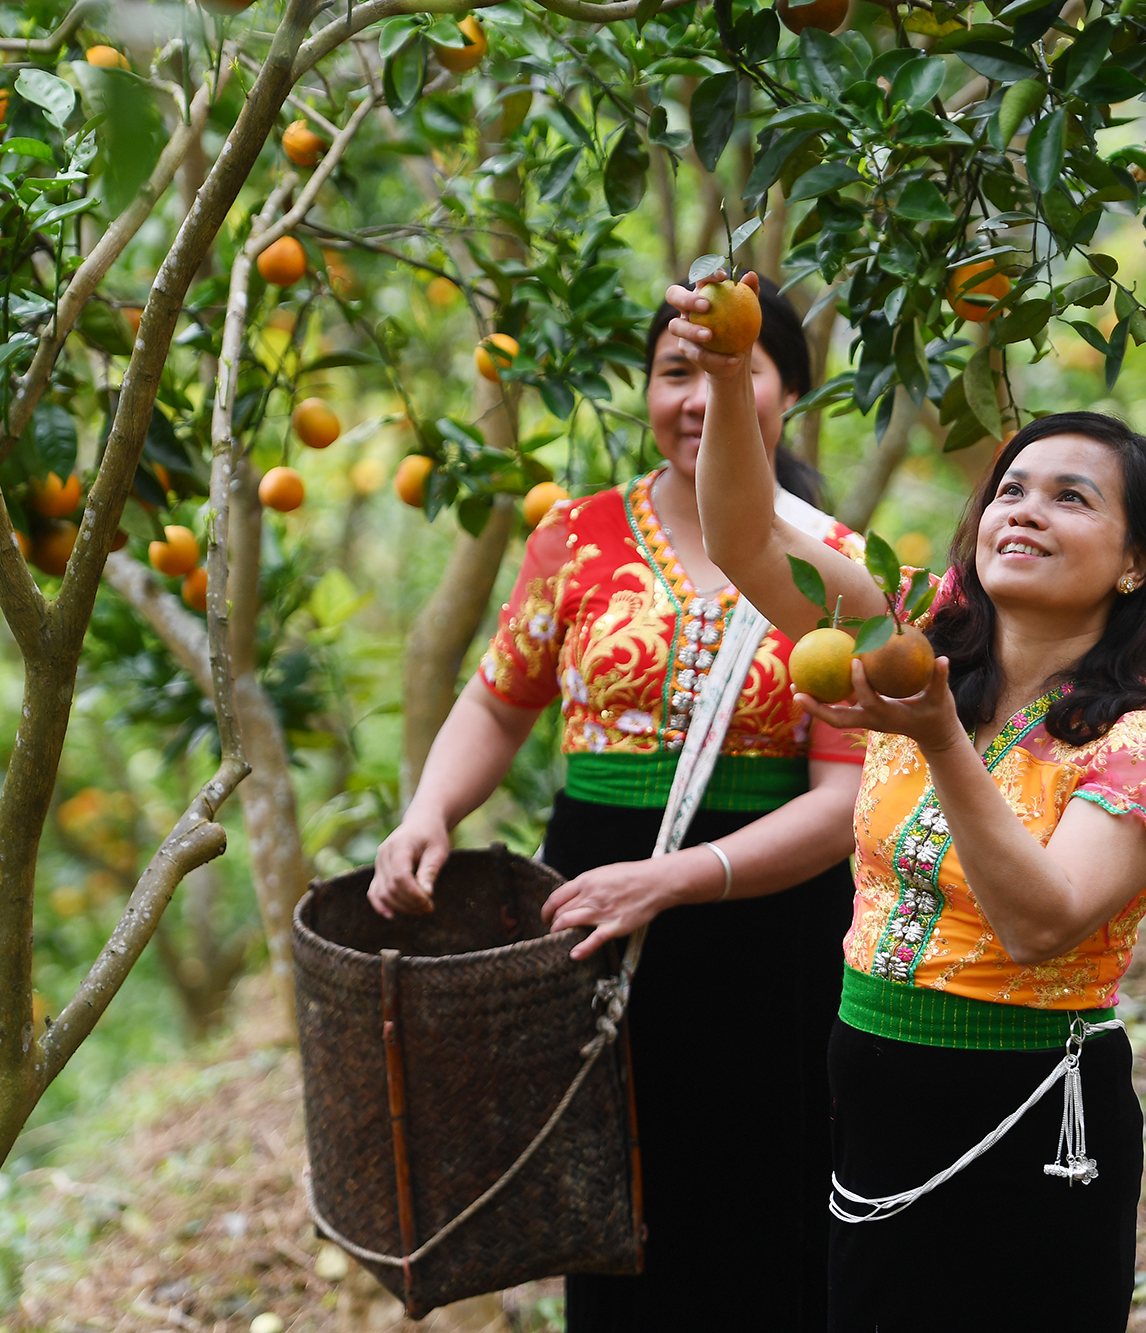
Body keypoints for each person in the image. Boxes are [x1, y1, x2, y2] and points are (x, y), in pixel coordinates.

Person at [667, 275, 1146, 1331]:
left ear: (1133, 563)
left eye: (1072, 496)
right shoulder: (909, 631)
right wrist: (733, 372)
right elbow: (743, 539)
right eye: (1010, 490)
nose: (1024, 510)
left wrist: (933, 740)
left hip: (1029, 1125)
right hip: (873, 1109)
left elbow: (1041, 920)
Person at [370, 280, 865, 1332]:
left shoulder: (835, 563)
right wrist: (429, 813)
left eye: (729, 371)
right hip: (591, 917)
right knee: (616, 1209)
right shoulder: (578, 536)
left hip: (769, 929)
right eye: (672, 372)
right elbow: (497, 704)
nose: (696, 398)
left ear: (787, 390)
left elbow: (845, 798)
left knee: (769, 1202)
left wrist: (676, 878)